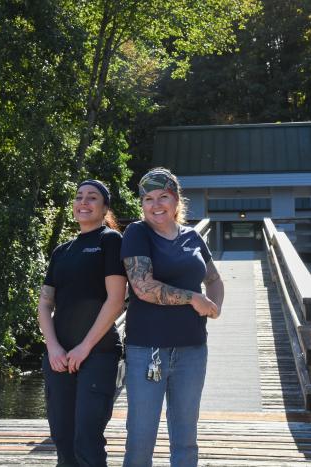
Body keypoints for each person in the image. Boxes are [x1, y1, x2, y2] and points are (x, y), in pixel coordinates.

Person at [121, 167, 224, 467]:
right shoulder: (137, 233)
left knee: (186, 439)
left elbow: (215, 279)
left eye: (163, 197)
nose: (155, 205)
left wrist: (214, 307)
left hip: (192, 349)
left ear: (176, 199)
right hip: (147, 350)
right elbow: (142, 287)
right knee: (141, 438)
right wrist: (193, 298)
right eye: (148, 199)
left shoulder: (193, 237)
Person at [38, 179, 127, 467]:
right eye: (79, 197)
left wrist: (83, 347)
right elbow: (45, 304)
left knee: (86, 439)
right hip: (59, 358)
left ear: (104, 209)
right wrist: (53, 348)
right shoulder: (61, 252)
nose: (84, 202)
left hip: (98, 354)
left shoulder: (110, 241)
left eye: (92, 198)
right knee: (62, 439)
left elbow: (115, 300)